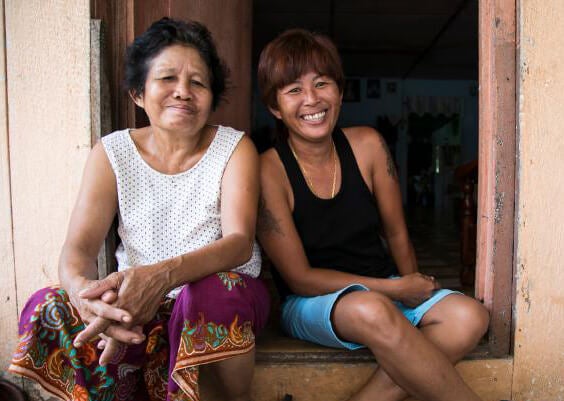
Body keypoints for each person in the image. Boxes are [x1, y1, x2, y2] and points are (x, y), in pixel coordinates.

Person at [9, 18, 269, 401]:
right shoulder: (112, 153)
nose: (183, 92)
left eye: (198, 83)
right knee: (47, 305)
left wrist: (161, 277)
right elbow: (77, 250)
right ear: (138, 93)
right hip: (133, 311)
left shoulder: (234, 148)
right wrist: (86, 296)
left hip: (216, 301)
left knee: (211, 294)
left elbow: (238, 243)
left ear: (211, 98)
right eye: (167, 79)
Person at [256, 29, 489, 401]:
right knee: (374, 308)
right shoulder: (267, 170)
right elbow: (300, 278)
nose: (312, 99)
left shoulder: (368, 144)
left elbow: (397, 233)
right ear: (274, 106)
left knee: (471, 316)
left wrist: (411, 283)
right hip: (311, 303)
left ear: (339, 90)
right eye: (293, 90)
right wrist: (396, 288)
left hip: (382, 287)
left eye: (321, 83)